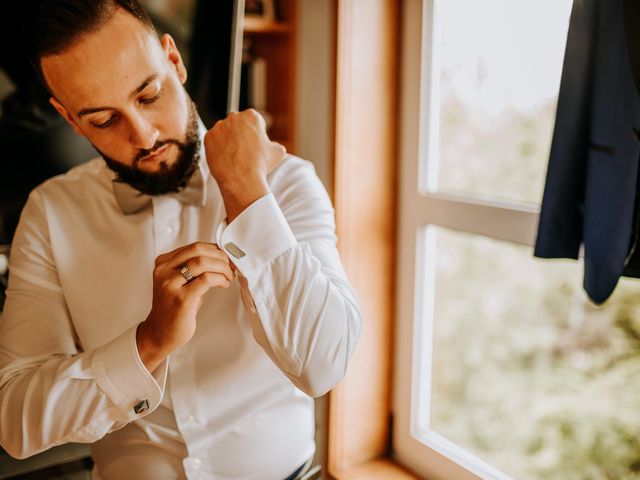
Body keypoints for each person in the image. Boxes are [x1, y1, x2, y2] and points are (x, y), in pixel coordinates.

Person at [0, 1, 362, 479]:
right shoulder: (51, 213)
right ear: (69, 119)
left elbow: (323, 365)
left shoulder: (286, 183)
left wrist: (247, 195)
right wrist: (147, 344)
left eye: (148, 95)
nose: (144, 135)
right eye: (104, 121)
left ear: (174, 60)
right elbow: (16, 422)